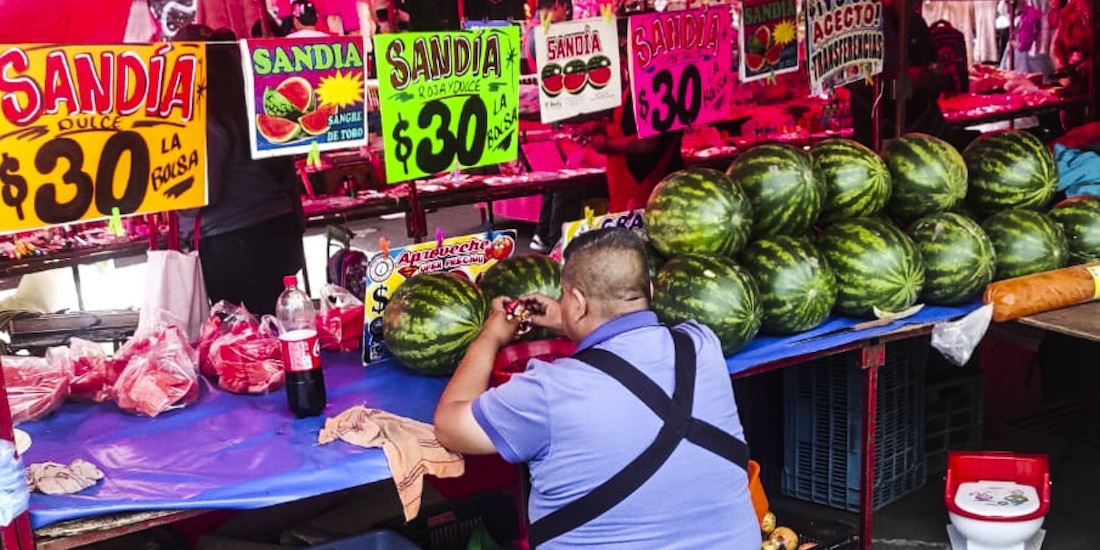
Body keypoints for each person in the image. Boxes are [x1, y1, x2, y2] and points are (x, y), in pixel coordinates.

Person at [434, 228, 760, 549]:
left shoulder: (548, 390)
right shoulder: (702, 346)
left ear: (576, 302)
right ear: (648, 288)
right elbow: (624, 332)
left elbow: (450, 427)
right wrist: (567, 319)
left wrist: (491, 335)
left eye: (566, 298)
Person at [175, 25, 306, 316]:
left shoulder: (207, 113)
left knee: (247, 345)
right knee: (280, 329)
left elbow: (201, 192)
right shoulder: (257, 99)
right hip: (279, 230)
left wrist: (173, 205)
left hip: (235, 246)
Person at [848, 0, 974, 151]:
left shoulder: (917, 24)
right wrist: (902, 81)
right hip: (877, 132)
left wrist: (930, 77)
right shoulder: (866, 27)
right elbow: (854, 81)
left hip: (923, 129)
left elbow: (932, 71)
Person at [526, 0, 581, 254]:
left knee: (555, 177)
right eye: (565, 8)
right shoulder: (543, 33)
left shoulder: (534, 30)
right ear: (558, 5)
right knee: (563, 178)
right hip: (556, 111)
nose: (566, 13)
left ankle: (543, 233)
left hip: (552, 109)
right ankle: (552, 236)